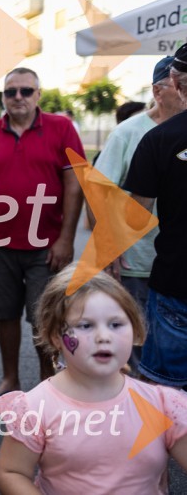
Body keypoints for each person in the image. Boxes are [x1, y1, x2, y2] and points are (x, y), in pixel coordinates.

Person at [0, 266, 187, 493]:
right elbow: (12, 471)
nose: (104, 336)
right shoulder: (35, 408)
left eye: (116, 324)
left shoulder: (163, 404)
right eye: (85, 325)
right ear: (56, 336)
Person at [0, 67, 84, 407]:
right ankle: (10, 379)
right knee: (5, 314)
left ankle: (48, 383)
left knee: (45, 320)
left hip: (46, 247)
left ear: (38, 95)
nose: (18, 98)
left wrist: (66, 238)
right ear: (3, 97)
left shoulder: (62, 128)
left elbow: (75, 185)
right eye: (11, 91)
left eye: (26, 91)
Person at [90, 57, 183, 322]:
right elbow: (97, 191)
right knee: (134, 341)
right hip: (136, 264)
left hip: (177, 264)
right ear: (157, 91)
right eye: (179, 86)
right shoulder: (128, 133)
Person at [123, 43, 187, 388]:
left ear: (175, 83)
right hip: (174, 283)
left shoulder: (157, 139)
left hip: (176, 282)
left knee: (166, 394)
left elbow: (136, 216)